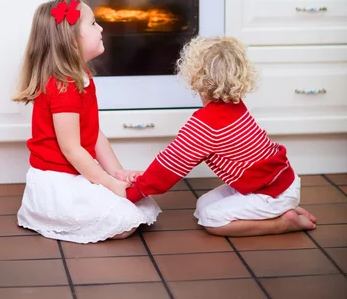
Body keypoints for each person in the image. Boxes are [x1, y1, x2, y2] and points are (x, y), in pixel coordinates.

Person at [124, 36, 316, 237]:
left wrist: (133, 193)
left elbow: (168, 169)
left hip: (269, 192)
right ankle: (283, 208)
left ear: (193, 76)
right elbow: (170, 162)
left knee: (211, 219)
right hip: (279, 182)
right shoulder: (233, 104)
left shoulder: (206, 125)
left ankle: (284, 222)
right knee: (202, 205)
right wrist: (144, 178)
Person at [14, 0, 160, 243]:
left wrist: (116, 173)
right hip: (58, 182)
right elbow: (71, 149)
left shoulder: (82, 76)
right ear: (71, 41)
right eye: (93, 24)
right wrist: (108, 183)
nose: (101, 28)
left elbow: (93, 134)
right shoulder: (63, 86)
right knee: (124, 222)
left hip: (76, 172)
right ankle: (45, 214)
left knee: (140, 205)